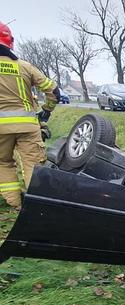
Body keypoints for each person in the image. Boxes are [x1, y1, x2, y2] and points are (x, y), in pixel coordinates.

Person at [0, 22, 58, 209]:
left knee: (3, 164)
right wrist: (47, 111)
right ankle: (38, 205)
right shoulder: (25, 67)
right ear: (10, 41)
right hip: (27, 126)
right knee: (33, 165)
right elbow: (54, 91)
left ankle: (17, 205)